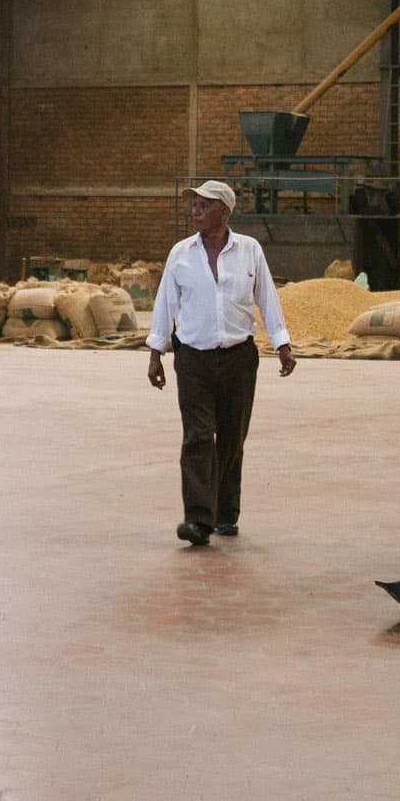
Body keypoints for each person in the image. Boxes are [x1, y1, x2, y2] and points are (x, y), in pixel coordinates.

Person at [146, 179, 294, 546]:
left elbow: (267, 298)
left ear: (224, 212)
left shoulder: (250, 251)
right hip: (192, 359)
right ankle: (198, 519)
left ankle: (226, 512)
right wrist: (156, 352)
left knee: (232, 436)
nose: (194, 210)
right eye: (193, 204)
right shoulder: (180, 253)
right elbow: (165, 303)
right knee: (197, 436)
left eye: (203, 205)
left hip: (238, 359)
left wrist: (282, 343)